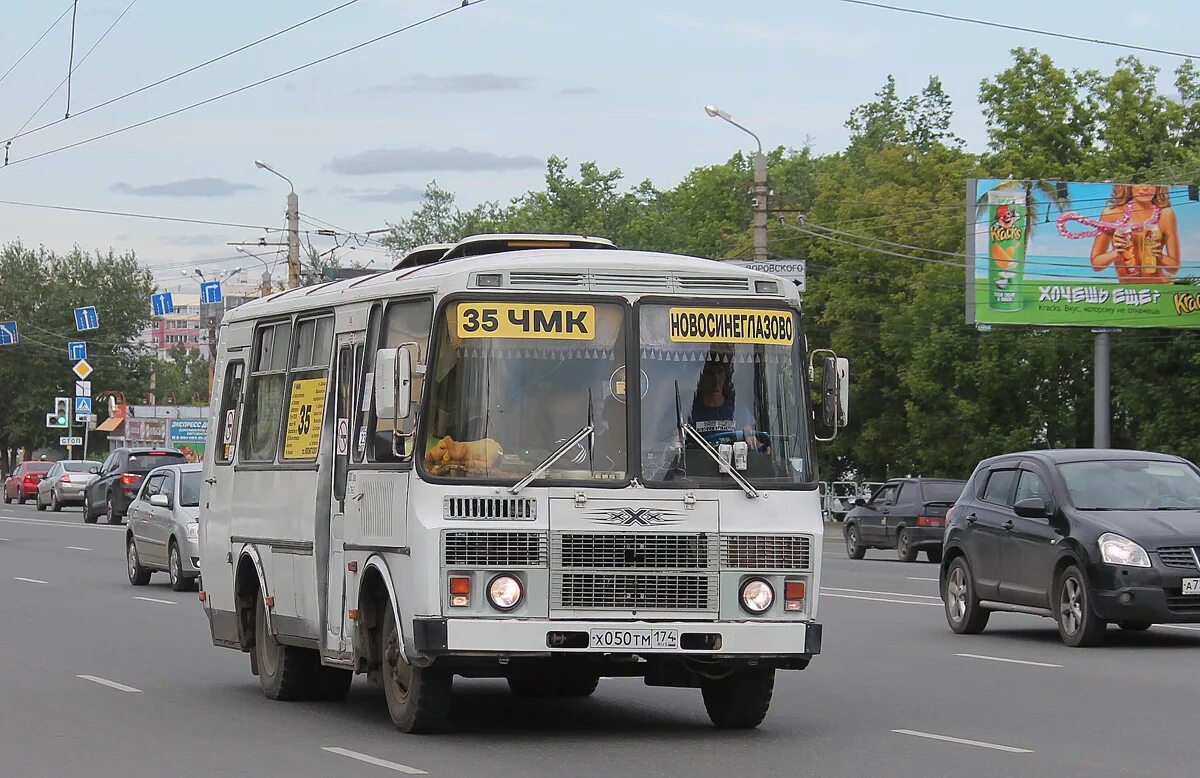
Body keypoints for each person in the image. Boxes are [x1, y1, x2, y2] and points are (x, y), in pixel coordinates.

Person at [1090, 184, 1180, 283]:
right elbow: (1096, 265)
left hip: (1158, 290)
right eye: (1138, 183)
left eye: (1152, 184)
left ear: (1158, 187)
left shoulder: (1166, 214)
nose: (1145, 188)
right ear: (1128, 186)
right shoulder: (1112, 213)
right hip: (1128, 293)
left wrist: (1159, 256)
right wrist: (1116, 253)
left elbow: (1174, 268)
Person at [689, 357, 763, 449]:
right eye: (710, 373)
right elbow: (678, 440)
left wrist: (762, 448)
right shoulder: (690, 411)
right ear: (702, 377)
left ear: (726, 376)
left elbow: (750, 437)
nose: (716, 379)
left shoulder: (738, 409)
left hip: (732, 462)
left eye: (720, 372)